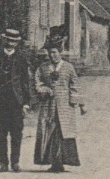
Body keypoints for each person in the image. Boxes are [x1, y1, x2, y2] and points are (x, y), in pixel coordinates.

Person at [0, 27, 34, 172]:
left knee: (17, 133)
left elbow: (25, 82)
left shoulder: (21, 59)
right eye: (9, 40)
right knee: (0, 133)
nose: (11, 43)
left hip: (16, 102)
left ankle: (15, 162)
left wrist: (26, 103)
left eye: (14, 41)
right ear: (4, 40)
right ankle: (3, 163)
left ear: (17, 43)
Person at [33, 40, 85, 172]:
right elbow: (37, 82)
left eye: (55, 52)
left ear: (60, 53)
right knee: (49, 131)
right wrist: (44, 90)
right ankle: (52, 162)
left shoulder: (68, 67)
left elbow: (74, 85)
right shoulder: (43, 67)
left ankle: (62, 161)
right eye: (50, 52)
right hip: (48, 105)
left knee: (64, 132)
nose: (52, 55)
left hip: (65, 106)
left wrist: (80, 104)